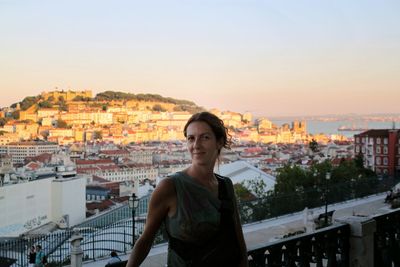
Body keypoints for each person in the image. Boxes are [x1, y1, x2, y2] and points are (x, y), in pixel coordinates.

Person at [127, 112, 248, 267]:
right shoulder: (169, 187)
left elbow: (237, 237)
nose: (196, 145)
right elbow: (145, 240)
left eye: (205, 137)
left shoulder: (226, 185)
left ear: (219, 142)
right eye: (191, 138)